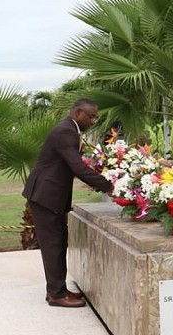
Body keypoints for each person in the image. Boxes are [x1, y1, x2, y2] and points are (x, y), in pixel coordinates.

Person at [22, 98, 113, 308]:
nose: (93, 120)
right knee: (53, 244)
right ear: (78, 113)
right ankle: (56, 294)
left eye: (95, 116)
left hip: (51, 196)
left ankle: (57, 289)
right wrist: (108, 186)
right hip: (45, 196)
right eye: (90, 116)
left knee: (59, 242)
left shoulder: (70, 130)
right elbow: (77, 167)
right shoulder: (65, 131)